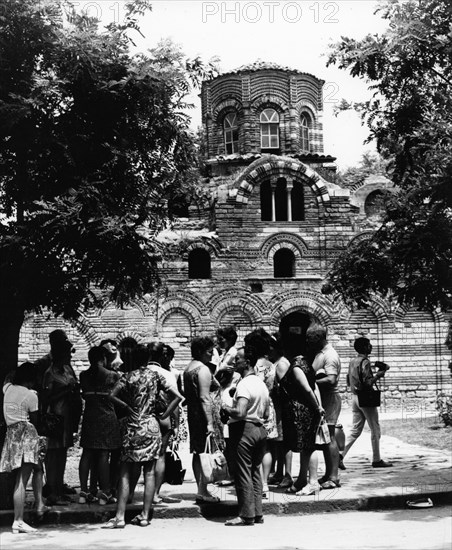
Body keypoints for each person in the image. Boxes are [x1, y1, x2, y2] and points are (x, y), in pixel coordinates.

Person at [103, 344, 182, 528]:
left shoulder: (127, 377)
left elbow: (111, 396)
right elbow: (177, 396)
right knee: (149, 472)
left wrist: (127, 407)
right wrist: (164, 414)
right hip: (151, 425)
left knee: (125, 471)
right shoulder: (156, 376)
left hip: (132, 426)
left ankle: (120, 517)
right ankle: (145, 515)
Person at [221, 345, 270, 526]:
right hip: (259, 429)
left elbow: (240, 412)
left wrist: (225, 408)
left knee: (242, 473)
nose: (235, 362)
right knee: (255, 473)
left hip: (244, 430)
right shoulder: (261, 384)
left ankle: (245, 515)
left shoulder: (244, 384)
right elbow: (266, 414)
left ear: (247, 362)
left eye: (238, 359)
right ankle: (257, 513)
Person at [0, 363, 49, 533]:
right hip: (26, 436)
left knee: (19, 479)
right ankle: (18, 520)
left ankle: (20, 518)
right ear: (31, 379)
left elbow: (7, 378)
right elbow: (35, 420)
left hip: (11, 435)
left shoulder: (7, 389)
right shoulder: (31, 395)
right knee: (22, 480)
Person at [274, 333, 324, 496]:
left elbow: (307, 389)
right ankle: (302, 479)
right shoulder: (304, 363)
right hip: (300, 410)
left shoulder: (297, 366)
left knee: (308, 447)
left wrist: (317, 408)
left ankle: (313, 481)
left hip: (302, 411)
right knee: (305, 446)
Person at [41, 330, 81, 504]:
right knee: (52, 457)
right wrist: (66, 390)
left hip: (67, 416)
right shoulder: (50, 373)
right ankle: (51, 492)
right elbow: (46, 397)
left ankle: (59, 489)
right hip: (54, 417)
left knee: (62, 454)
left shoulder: (67, 369)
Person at [183, 336, 224, 503]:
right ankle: (203, 490)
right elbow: (204, 398)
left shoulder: (188, 369)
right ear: (200, 351)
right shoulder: (203, 369)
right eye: (209, 352)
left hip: (193, 413)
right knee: (205, 453)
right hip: (202, 415)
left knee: (198, 452)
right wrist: (209, 423)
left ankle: (201, 488)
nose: (211, 355)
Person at [78, 346, 121, 505]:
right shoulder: (112, 375)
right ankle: (105, 492)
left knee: (87, 453)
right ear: (103, 358)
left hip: (90, 416)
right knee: (104, 454)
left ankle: (83, 491)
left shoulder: (83, 375)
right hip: (107, 416)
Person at [342, 337, 393, 468]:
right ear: (364, 347)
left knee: (355, 430)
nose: (371, 347)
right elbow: (368, 382)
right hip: (365, 398)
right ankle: (377, 459)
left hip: (355, 397)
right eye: (369, 345)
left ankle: (339, 455)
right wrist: (378, 375)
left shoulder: (352, 362)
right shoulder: (365, 362)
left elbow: (348, 380)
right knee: (375, 429)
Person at [244, 328, 278, 499]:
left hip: (251, 406)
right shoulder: (270, 365)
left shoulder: (250, 365)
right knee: (265, 447)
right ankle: (264, 483)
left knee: (250, 446)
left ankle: (252, 482)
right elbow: (271, 387)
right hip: (267, 406)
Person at [306, 325, 342, 490]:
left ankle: (333, 477)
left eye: (310, 338)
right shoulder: (321, 354)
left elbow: (331, 380)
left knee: (331, 437)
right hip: (323, 400)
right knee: (326, 438)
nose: (308, 341)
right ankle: (328, 474)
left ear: (319, 338)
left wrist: (309, 383)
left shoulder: (330, 355)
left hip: (330, 400)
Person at [147, 341, 181, 504]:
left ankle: (131, 494)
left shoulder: (139, 372)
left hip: (143, 418)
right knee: (160, 456)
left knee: (138, 459)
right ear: (163, 355)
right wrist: (175, 421)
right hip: (163, 418)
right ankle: (154, 494)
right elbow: (176, 400)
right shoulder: (167, 374)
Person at [267, 333, 293, 488]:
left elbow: (286, 387)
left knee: (285, 442)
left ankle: (288, 475)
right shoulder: (274, 363)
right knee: (277, 443)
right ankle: (278, 472)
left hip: (282, 408)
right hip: (275, 408)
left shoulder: (282, 364)